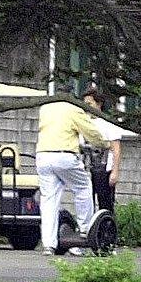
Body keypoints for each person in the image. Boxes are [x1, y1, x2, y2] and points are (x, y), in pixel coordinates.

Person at [36, 98, 108, 256]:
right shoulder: (73, 109)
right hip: (65, 155)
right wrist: (103, 143)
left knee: (49, 200)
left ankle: (48, 244)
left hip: (43, 155)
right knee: (83, 187)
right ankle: (85, 230)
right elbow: (90, 131)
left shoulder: (46, 108)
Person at [82, 87, 123, 213]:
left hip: (104, 169)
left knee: (105, 202)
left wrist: (115, 172)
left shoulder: (108, 123)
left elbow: (116, 149)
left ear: (98, 104)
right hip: (86, 167)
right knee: (87, 200)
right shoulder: (83, 122)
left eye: (89, 104)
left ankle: (107, 228)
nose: (86, 107)